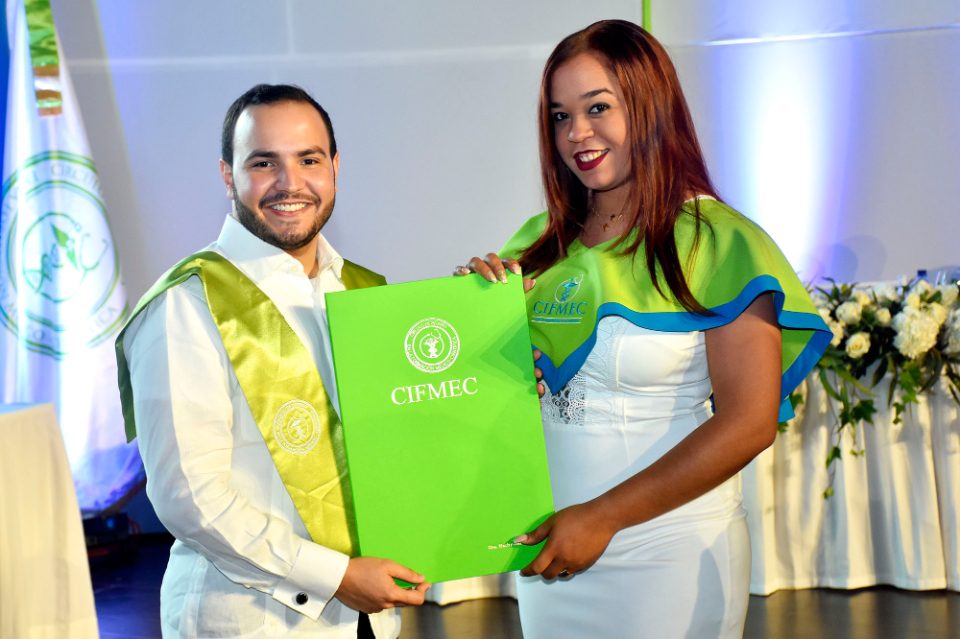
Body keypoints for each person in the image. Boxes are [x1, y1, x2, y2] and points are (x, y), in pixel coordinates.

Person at [459, 20, 831, 638]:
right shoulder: (536, 245)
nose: (577, 134)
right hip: (552, 553)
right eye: (560, 116)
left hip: (668, 554)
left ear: (650, 105)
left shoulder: (719, 241)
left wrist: (602, 517)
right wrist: (470, 321)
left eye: (597, 108)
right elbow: (496, 401)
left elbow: (749, 422)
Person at [116, 84, 429, 638]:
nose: (290, 183)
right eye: (264, 163)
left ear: (335, 167)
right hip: (251, 619)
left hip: (372, 619)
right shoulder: (187, 303)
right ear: (227, 175)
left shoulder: (364, 292)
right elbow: (190, 498)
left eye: (309, 160)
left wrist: (488, 335)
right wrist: (333, 576)